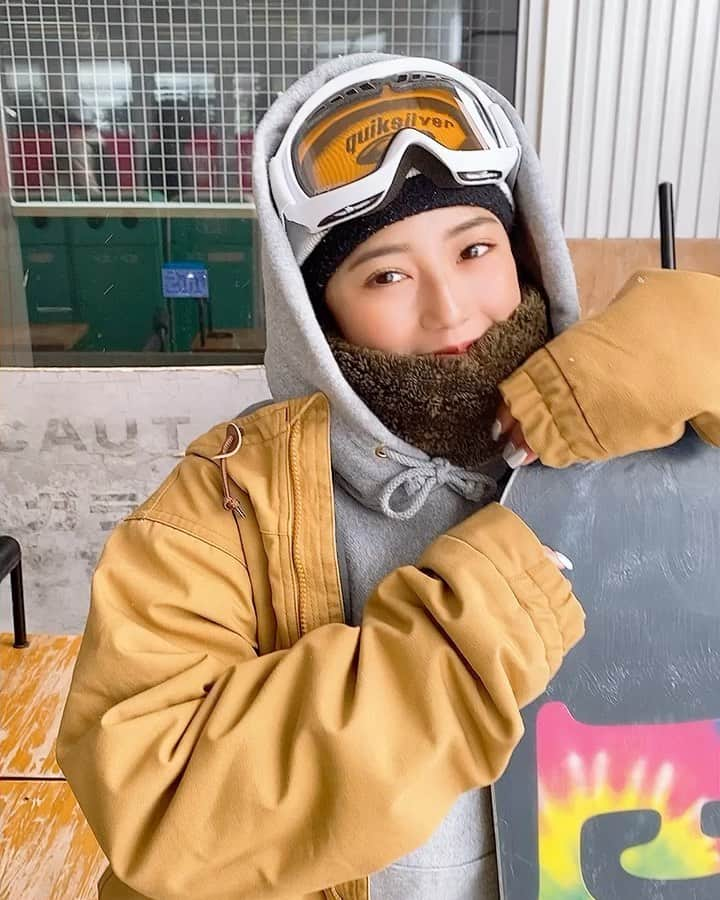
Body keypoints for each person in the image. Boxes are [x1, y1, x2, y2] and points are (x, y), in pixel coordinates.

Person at [56, 53, 720, 900]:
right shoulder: (228, 506)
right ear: (314, 308)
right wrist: (459, 641)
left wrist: (702, 345)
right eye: (387, 274)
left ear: (524, 253)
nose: (450, 308)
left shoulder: (636, 423)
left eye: (475, 247)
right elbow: (157, 801)